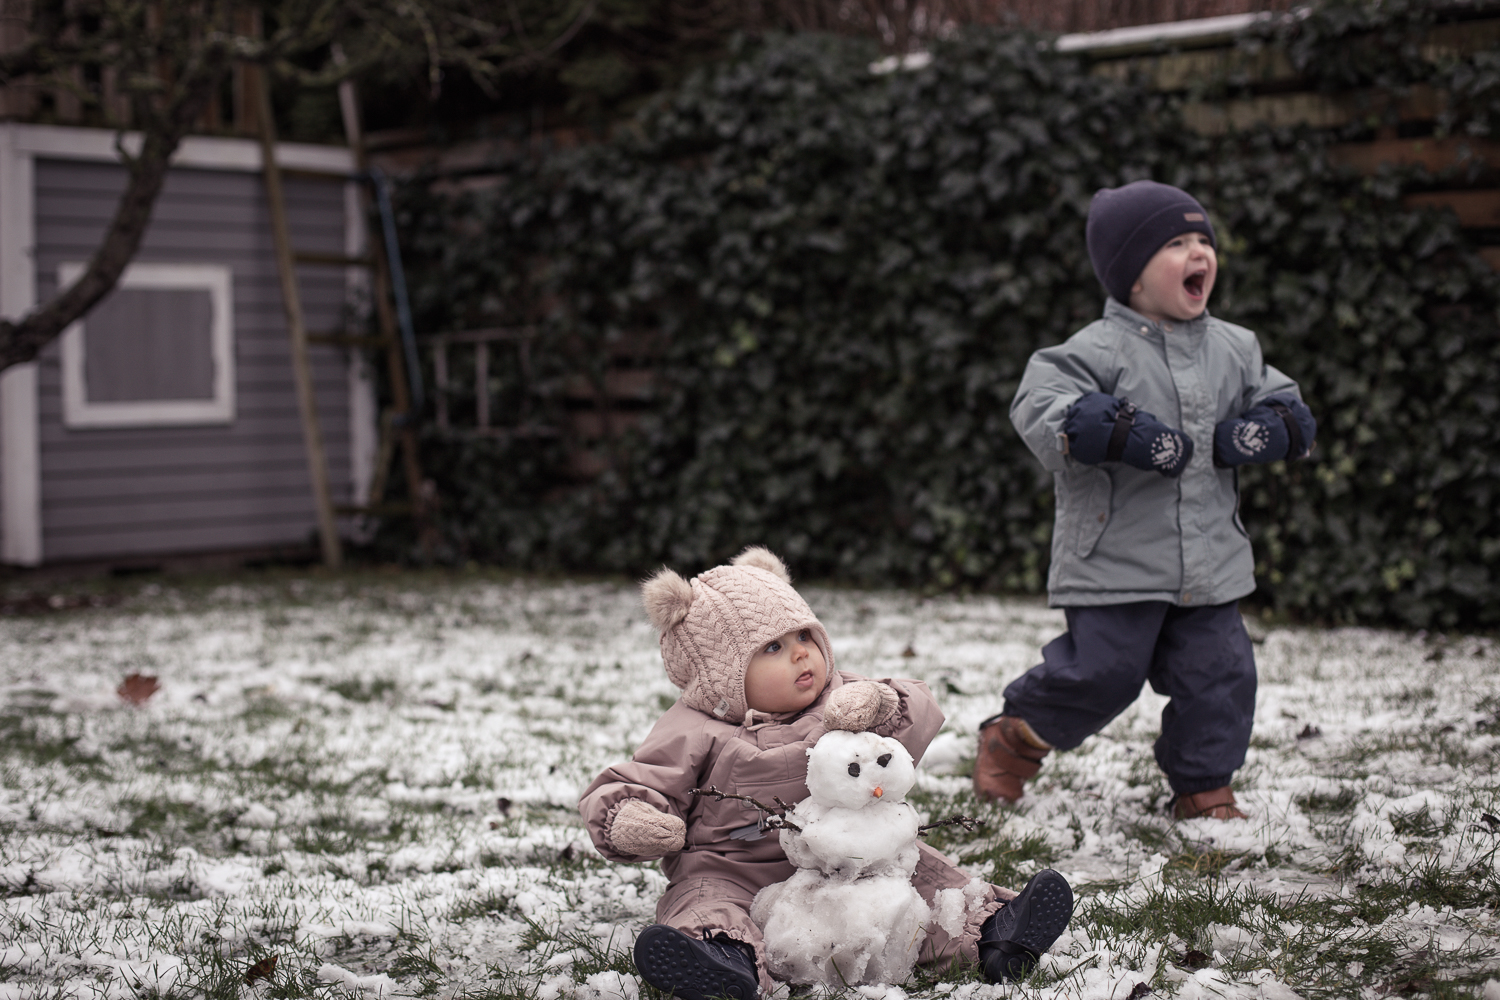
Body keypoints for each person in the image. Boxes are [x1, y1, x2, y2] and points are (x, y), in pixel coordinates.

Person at [580, 546, 1073, 999]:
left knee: (922, 879)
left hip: (854, 858)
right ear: (719, 673)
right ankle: (722, 959)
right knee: (705, 901)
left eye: (804, 636)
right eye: (772, 648)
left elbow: (917, 709)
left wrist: (880, 702)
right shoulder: (693, 728)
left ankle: (993, 932)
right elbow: (640, 781)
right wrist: (631, 819)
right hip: (733, 868)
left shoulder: (839, 697)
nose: (800, 653)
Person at [975, 180, 1316, 821]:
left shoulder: (1234, 348)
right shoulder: (1093, 350)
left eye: (1203, 241)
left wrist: (1273, 425)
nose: (1199, 253)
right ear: (1131, 275)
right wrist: (1104, 427)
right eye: (1176, 243)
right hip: (1115, 559)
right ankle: (1015, 737)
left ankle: (1204, 787)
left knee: (1221, 676)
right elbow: (1039, 406)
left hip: (1209, 561)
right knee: (1102, 674)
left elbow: (1283, 399)